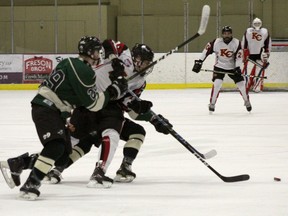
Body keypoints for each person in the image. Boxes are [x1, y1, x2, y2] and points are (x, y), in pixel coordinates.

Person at [0, 42, 171, 190]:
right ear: (137, 59)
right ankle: (91, 172)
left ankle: (30, 164)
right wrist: (115, 61)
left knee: (72, 145)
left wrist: (144, 111)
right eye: (146, 62)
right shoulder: (124, 54)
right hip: (90, 102)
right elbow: (108, 43)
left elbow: (128, 105)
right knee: (72, 143)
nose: (148, 66)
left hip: (105, 105)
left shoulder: (140, 82)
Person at [0, 36, 128, 200]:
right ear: (90, 52)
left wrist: (66, 116)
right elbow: (93, 105)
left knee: (62, 156)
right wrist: (113, 91)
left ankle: (19, 163)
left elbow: (68, 94)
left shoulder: (70, 63)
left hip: (51, 109)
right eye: (97, 51)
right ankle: (31, 184)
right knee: (55, 146)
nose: (99, 55)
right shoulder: (83, 70)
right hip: (47, 108)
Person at [192, 26, 252, 113]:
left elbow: (239, 57)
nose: (226, 35)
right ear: (222, 34)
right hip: (219, 66)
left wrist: (237, 67)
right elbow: (206, 50)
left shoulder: (237, 43)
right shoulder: (216, 42)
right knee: (217, 84)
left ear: (231, 34)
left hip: (233, 67)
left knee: (242, 85)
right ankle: (212, 103)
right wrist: (199, 62)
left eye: (228, 33)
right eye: (225, 34)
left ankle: (247, 101)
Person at [242, 17, 271, 92]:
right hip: (250, 54)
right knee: (246, 71)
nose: (257, 25)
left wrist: (267, 52)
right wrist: (244, 53)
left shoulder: (265, 31)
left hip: (260, 54)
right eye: (255, 23)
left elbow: (268, 43)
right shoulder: (248, 31)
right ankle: (245, 87)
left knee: (259, 72)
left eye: (258, 23)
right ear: (252, 24)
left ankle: (257, 87)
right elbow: (244, 42)